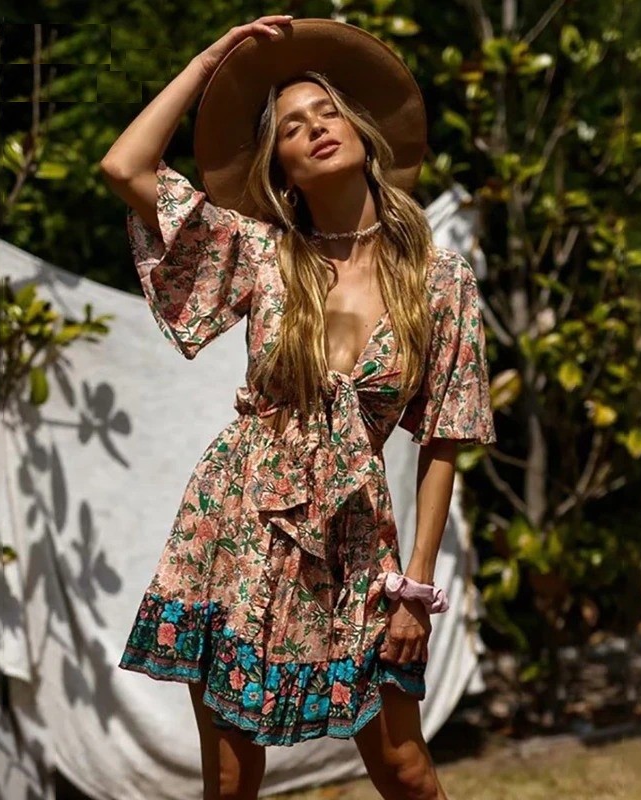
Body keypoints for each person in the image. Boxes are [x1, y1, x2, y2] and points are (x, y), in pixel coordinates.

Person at [101, 15, 495, 800]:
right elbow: (124, 166)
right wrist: (212, 60)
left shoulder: (438, 277)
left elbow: (445, 439)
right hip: (237, 519)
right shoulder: (261, 253)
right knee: (230, 777)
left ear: (362, 134)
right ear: (280, 170)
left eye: (327, 112)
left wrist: (416, 590)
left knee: (405, 768)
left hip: (355, 539)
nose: (315, 128)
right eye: (291, 127)